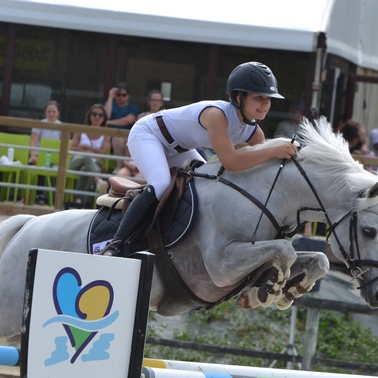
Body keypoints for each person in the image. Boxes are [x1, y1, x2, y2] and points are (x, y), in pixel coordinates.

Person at [100, 62, 297, 257]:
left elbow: (259, 168)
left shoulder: (253, 130)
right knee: (160, 184)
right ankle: (116, 243)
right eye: (258, 97)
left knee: (206, 185)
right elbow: (230, 162)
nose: (265, 103)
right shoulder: (217, 115)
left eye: (268, 99)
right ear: (238, 96)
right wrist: (273, 151)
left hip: (179, 148)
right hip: (148, 134)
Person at [117, 91, 166, 179]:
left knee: (137, 180)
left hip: (148, 165)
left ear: (161, 102)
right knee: (120, 176)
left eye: (157, 100)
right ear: (149, 101)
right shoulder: (141, 117)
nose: (155, 102)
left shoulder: (164, 117)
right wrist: (127, 164)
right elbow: (126, 157)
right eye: (153, 100)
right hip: (132, 164)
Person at [69, 103, 110, 206]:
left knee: (85, 169)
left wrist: (86, 148)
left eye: (100, 115)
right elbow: (72, 148)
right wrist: (89, 153)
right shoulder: (81, 129)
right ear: (89, 116)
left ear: (104, 118)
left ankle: (78, 200)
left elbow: (103, 152)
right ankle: (98, 181)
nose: (97, 117)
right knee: (87, 157)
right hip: (76, 162)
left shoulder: (106, 133)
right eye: (94, 114)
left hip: (94, 166)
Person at [28, 100, 63, 205]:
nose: (51, 114)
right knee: (39, 165)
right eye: (49, 111)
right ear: (45, 112)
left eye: (54, 111)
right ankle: (39, 195)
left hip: (55, 158)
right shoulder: (39, 124)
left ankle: (56, 199)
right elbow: (33, 142)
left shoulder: (62, 127)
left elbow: (63, 144)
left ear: (58, 113)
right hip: (40, 156)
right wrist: (33, 156)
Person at [104, 83, 139, 162]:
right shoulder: (110, 105)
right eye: (118, 95)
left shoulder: (133, 107)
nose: (121, 97)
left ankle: (121, 168)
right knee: (117, 139)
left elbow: (128, 120)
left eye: (124, 95)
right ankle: (121, 168)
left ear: (128, 95)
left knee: (118, 140)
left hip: (127, 136)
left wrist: (109, 122)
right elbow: (105, 117)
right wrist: (110, 98)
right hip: (109, 137)